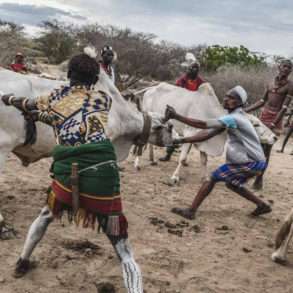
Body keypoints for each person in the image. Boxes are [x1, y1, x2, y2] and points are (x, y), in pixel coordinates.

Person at [2, 49, 143, 292]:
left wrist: (7, 99)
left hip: (69, 173)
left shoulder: (56, 95)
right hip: (103, 175)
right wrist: (44, 115)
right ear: (95, 79)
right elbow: (74, 117)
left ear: (68, 74)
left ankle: (23, 261)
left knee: (46, 216)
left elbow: (29, 104)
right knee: (124, 249)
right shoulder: (103, 99)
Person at [164, 85, 272, 220]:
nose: (226, 99)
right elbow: (207, 134)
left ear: (239, 103)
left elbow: (203, 125)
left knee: (211, 178)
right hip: (256, 162)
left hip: (250, 162)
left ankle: (191, 211)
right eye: (226, 96)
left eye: (231, 98)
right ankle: (262, 205)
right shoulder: (232, 117)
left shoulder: (235, 118)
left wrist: (177, 116)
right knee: (232, 184)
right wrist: (181, 140)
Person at [245, 59, 293, 189]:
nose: (286, 69)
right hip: (263, 116)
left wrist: (273, 124)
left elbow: (283, 108)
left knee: (266, 151)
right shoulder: (270, 82)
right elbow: (262, 101)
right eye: (284, 66)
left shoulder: (290, 86)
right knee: (256, 147)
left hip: (275, 119)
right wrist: (244, 111)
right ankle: (251, 173)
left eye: (289, 67)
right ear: (279, 67)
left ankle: (259, 179)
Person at [159, 60, 205, 162]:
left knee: (189, 133)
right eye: (192, 68)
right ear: (188, 69)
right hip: (181, 107)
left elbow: (202, 94)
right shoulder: (182, 80)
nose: (193, 70)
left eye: (196, 69)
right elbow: (177, 93)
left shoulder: (200, 82)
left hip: (193, 109)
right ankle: (168, 154)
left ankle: (184, 157)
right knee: (173, 130)